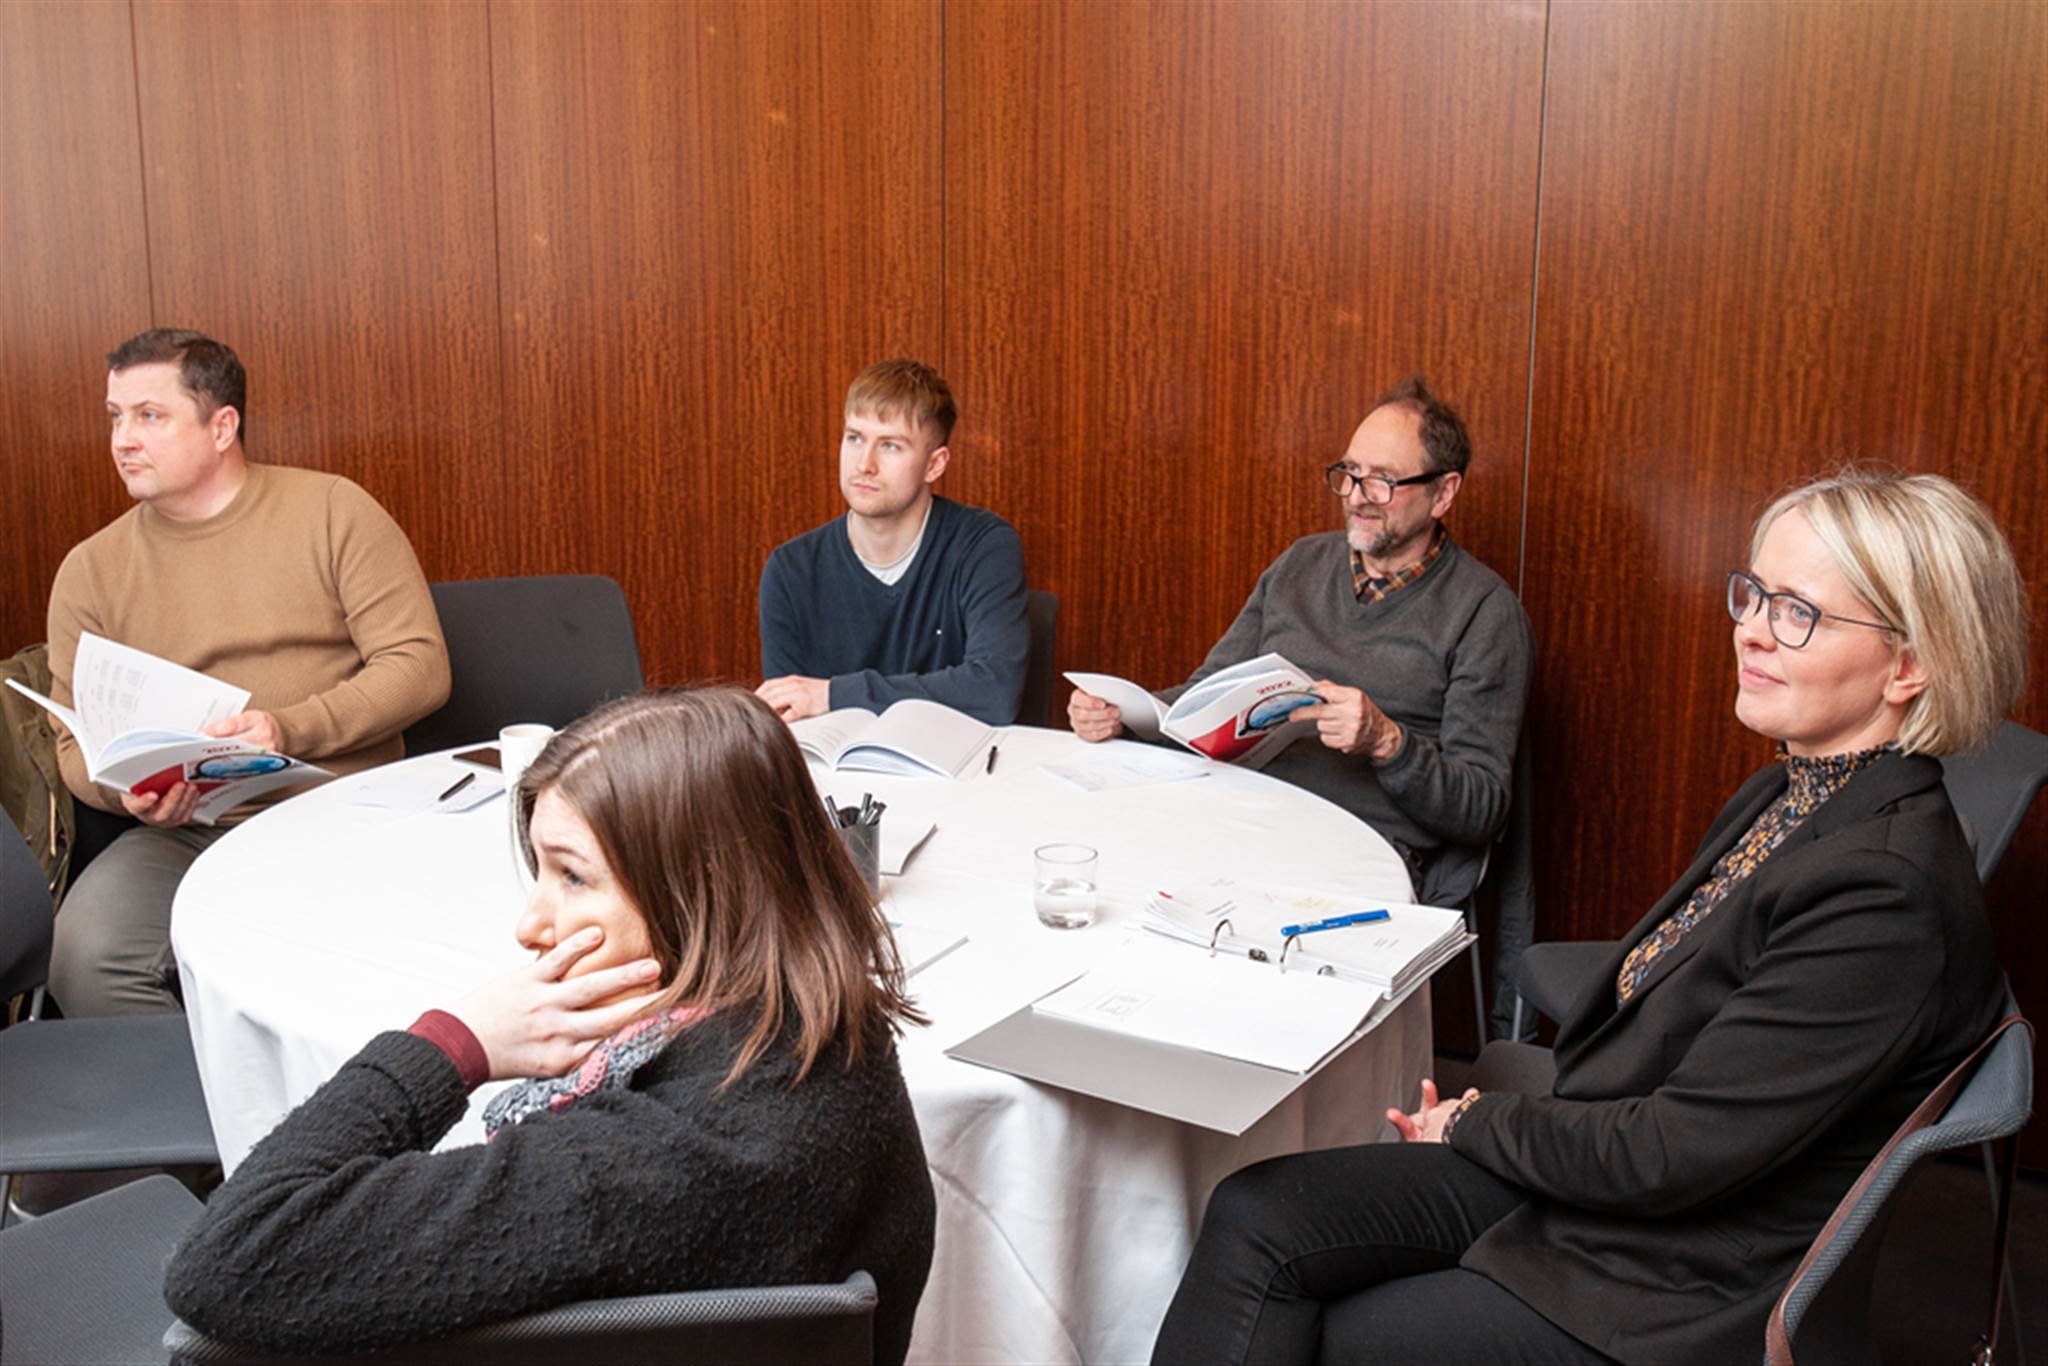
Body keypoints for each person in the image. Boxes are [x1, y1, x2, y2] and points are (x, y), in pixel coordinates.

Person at [1150, 469, 2023, 1365]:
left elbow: (1674, 1155)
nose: (1751, 629)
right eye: (1756, 594)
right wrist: (1497, 1120)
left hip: (1670, 1278)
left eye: (1798, 612)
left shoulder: (1883, 892)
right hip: (1618, 1188)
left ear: (1911, 664)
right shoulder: (1793, 792)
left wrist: (1478, 1124)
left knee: (1330, 1332)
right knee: (1256, 1213)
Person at [163, 687, 938, 1363]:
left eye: (572, 876)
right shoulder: (837, 1033)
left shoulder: (637, 1166)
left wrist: (452, 1044)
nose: (531, 926)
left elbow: (233, 1257)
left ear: (702, 891)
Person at [46, 328, 449, 1017]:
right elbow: (70, 745)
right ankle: (200, 1091)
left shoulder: (332, 510)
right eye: (115, 417)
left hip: (345, 804)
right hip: (185, 829)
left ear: (222, 426)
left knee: (377, 949)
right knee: (84, 955)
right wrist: (128, 791)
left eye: (150, 415)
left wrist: (288, 728)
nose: (123, 440)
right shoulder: (89, 569)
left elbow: (420, 666)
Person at [1069, 377, 1531, 905]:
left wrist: (1387, 743)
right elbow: (1208, 692)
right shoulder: (1301, 564)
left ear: (1443, 493)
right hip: (1240, 817)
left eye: (1382, 481)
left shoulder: (1485, 613)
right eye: (1350, 474)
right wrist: (1127, 716)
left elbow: (1481, 809)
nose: (1356, 497)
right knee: (1102, 871)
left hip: (1358, 856)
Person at [757, 358, 1030, 726]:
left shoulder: (984, 546)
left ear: (934, 465)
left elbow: (994, 692)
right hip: (835, 764)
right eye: (855, 438)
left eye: (890, 446)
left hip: (953, 762)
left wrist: (833, 695)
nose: (864, 464)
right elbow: (785, 718)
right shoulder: (791, 570)